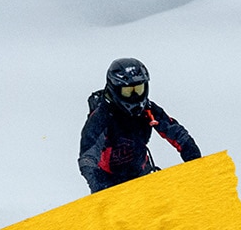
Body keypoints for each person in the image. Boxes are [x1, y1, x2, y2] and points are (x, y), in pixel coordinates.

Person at [78, 57, 202, 193]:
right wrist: (98, 185)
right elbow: (88, 158)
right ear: (115, 89)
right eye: (128, 91)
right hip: (109, 183)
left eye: (138, 89)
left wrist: (195, 162)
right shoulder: (101, 117)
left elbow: (177, 134)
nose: (134, 96)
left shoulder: (148, 110)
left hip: (142, 174)